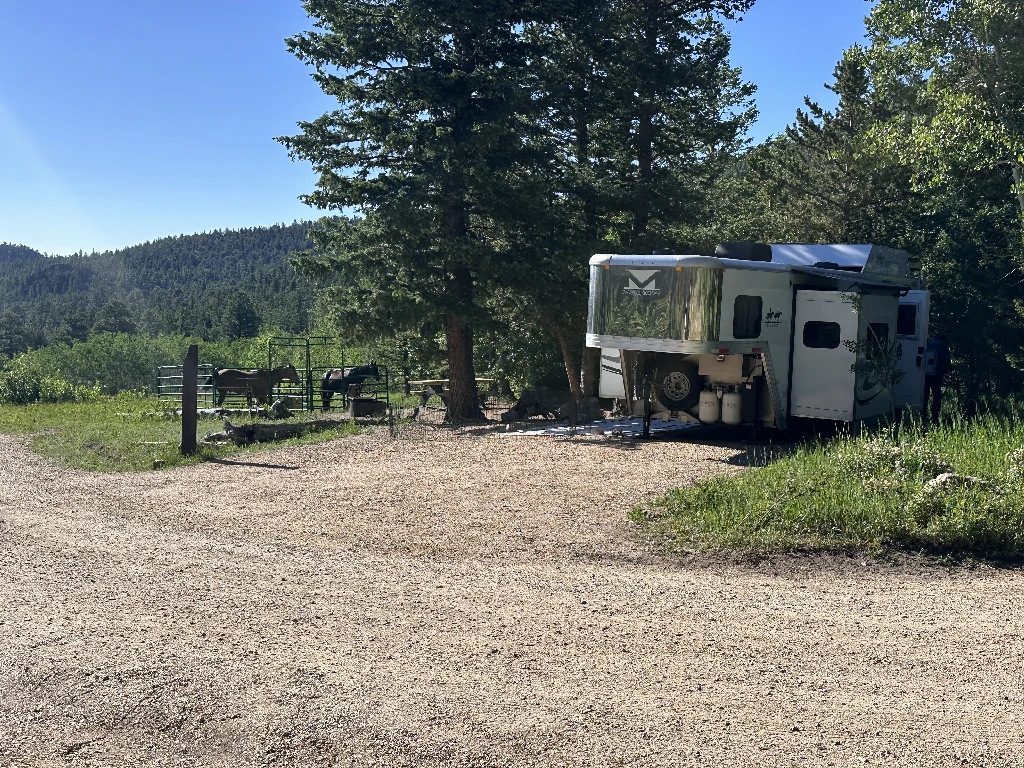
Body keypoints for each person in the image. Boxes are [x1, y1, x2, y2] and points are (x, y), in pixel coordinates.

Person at [924, 335, 951, 424]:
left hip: (925, 374)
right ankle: (934, 417)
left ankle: (923, 416)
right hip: (937, 374)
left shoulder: (927, 342)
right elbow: (947, 363)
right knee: (937, 396)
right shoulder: (943, 346)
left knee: (924, 395)